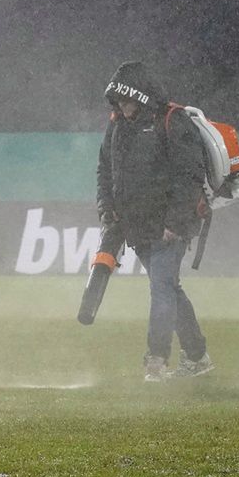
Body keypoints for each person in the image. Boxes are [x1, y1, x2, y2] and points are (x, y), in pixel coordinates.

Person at [97, 61, 214, 382]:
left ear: (142, 96)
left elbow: (189, 177)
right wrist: (106, 209)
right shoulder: (117, 125)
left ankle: (156, 361)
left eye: (127, 101)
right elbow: (105, 170)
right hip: (137, 226)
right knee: (170, 289)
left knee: (161, 287)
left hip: (170, 227)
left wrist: (175, 223)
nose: (122, 106)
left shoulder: (172, 122)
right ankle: (197, 357)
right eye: (118, 102)